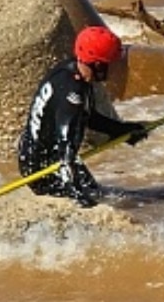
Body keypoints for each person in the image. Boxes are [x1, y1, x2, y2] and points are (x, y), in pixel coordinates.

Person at [17, 26, 148, 208]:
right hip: (44, 170)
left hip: (52, 157)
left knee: (99, 192)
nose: (114, 69)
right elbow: (65, 143)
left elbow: (88, 118)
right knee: (94, 201)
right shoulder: (73, 92)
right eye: (111, 63)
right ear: (98, 65)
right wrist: (78, 195)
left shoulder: (72, 72)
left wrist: (122, 130)